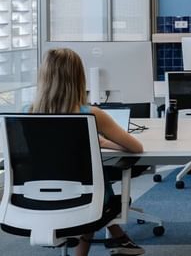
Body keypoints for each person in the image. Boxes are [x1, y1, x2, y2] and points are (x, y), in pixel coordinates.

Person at [30, 48, 145, 256]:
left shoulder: (25, 113)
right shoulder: (91, 114)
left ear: (43, 76)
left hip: (35, 198)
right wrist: (105, 142)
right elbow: (136, 148)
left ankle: (120, 239)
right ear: (78, 78)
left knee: (88, 188)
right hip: (84, 199)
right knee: (92, 191)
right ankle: (119, 239)